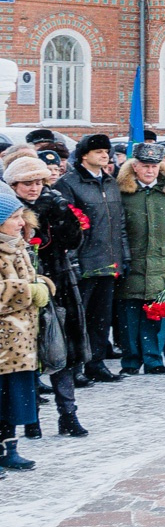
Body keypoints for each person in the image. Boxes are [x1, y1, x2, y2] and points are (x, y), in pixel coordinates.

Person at [8, 156, 87, 435]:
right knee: (30, 354)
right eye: (27, 183)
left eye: (39, 182)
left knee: (61, 348)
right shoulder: (9, 210)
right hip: (24, 286)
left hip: (58, 280)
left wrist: (64, 216)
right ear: (14, 184)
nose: (34, 188)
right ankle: (32, 419)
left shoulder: (54, 202)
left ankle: (68, 414)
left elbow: (73, 242)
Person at [54, 133, 127, 385]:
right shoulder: (69, 183)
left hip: (108, 260)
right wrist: (72, 260)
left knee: (101, 317)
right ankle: (75, 367)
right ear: (84, 155)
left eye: (106, 151)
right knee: (79, 317)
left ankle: (96, 363)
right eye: (98, 151)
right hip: (84, 262)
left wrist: (122, 256)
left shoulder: (110, 182)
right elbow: (66, 227)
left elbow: (120, 224)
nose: (104, 155)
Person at [115, 142, 165, 375]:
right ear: (135, 167)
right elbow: (117, 229)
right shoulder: (123, 193)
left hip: (161, 261)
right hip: (132, 261)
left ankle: (153, 359)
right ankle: (130, 360)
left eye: (154, 166)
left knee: (156, 312)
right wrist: (123, 258)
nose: (150, 171)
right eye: (145, 166)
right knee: (129, 314)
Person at [0, 186, 52, 470]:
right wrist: (29, 291)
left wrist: (43, 284)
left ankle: (10, 448)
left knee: (14, 401)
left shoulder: (17, 246)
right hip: (2, 342)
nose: (22, 222)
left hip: (20, 343)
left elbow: (32, 280)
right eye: (15, 217)